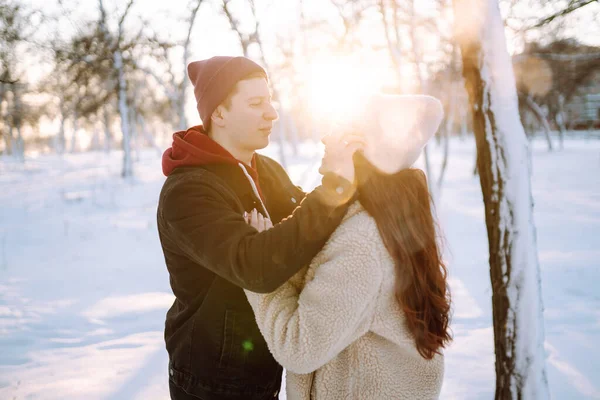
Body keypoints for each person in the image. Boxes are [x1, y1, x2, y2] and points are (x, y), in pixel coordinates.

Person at [156, 55, 363, 399]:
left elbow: (308, 227)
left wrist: (353, 173)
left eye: (269, 101)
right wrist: (335, 188)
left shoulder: (264, 168)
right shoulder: (188, 191)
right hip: (210, 380)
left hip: (263, 368)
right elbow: (258, 268)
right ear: (218, 113)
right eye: (256, 103)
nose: (272, 113)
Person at [245, 94, 452, 399]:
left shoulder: (363, 243)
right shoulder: (378, 219)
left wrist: (257, 269)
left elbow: (300, 346)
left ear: (360, 149)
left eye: (341, 129)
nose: (326, 136)